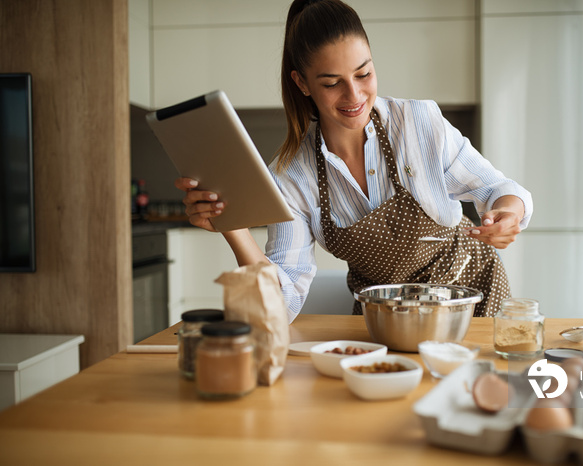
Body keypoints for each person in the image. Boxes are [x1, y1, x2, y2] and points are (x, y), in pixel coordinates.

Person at [175, 0, 533, 322]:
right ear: (302, 84)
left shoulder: (418, 122)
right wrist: (233, 226)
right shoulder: (291, 177)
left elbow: (497, 189)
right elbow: (280, 304)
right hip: (384, 320)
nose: (354, 95)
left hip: (470, 300)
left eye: (364, 74)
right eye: (332, 83)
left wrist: (508, 213)